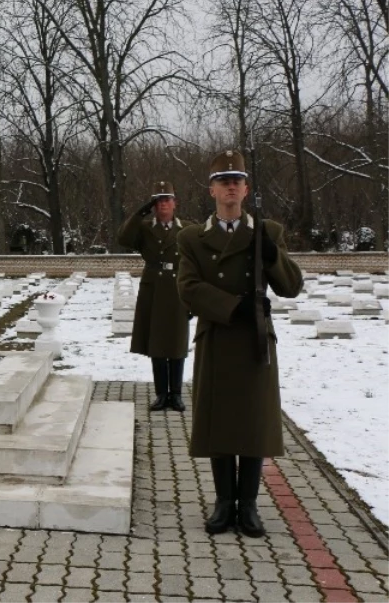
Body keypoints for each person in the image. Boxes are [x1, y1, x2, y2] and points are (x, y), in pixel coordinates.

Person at [177, 150, 303, 537]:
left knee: (252, 424)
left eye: (237, 179)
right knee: (219, 423)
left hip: (255, 343)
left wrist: (271, 256)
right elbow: (188, 288)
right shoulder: (193, 238)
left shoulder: (269, 232)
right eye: (223, 179)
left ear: (246, 189)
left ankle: (247, 506)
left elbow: (291, 286)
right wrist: (235, 307)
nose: (231, 185)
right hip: (218, 335)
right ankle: (222, 503)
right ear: (212, 189)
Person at [118, 181, 191, 412]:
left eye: (167, 199)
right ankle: (161, 394)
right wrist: (140, 212)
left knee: (177, 341)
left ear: (175, 203)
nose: (163, 204)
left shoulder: (187, 229)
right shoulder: (145, 228)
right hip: (154, 288)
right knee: (157, 343)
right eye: (159, 201)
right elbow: (123, 238)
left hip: (178, 287)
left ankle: (176, 394)